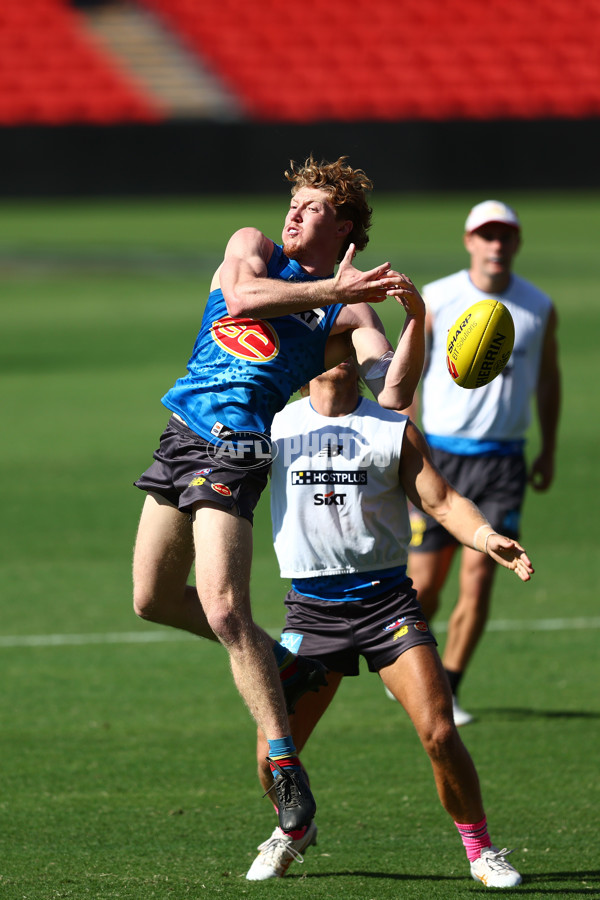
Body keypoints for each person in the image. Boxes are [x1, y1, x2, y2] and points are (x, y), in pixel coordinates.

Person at [132, 156, 426, 836]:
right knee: (151, 599)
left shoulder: (348, 309)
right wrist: (332, 289)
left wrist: (416, 320)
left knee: (226, 609)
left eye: (312, 206)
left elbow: (392, 389)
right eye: (294, 200)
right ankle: (288, 663)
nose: (293, 212)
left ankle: (286, 764)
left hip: (236, 451)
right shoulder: (252, 247)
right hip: (179, 435)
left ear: (344, 225)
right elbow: (240, 301)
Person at [246, 359, 533, 887]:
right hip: (311, 610)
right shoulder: (275, 424)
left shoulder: (391, 427)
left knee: (441, 733)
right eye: (326, 340)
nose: (335, 351)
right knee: (271, 754)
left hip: (387, 606)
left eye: (346, 341)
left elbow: (441, 500)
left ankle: (481, 851)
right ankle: (293, 831)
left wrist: (486, 536)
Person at [405, 199, 560, 726]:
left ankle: (447, 690)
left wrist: (549, 448)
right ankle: (411, 671)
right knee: (423, 585)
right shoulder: (440, 298)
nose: (496, 245)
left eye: (505, 236)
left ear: (516, 242)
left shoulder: (538, 306)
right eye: (486, 235)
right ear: (470, 240)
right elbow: (409, 371)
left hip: (504, 463)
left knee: (480, 575)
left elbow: (549, 378)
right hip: (441, 456)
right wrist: (408, 441)